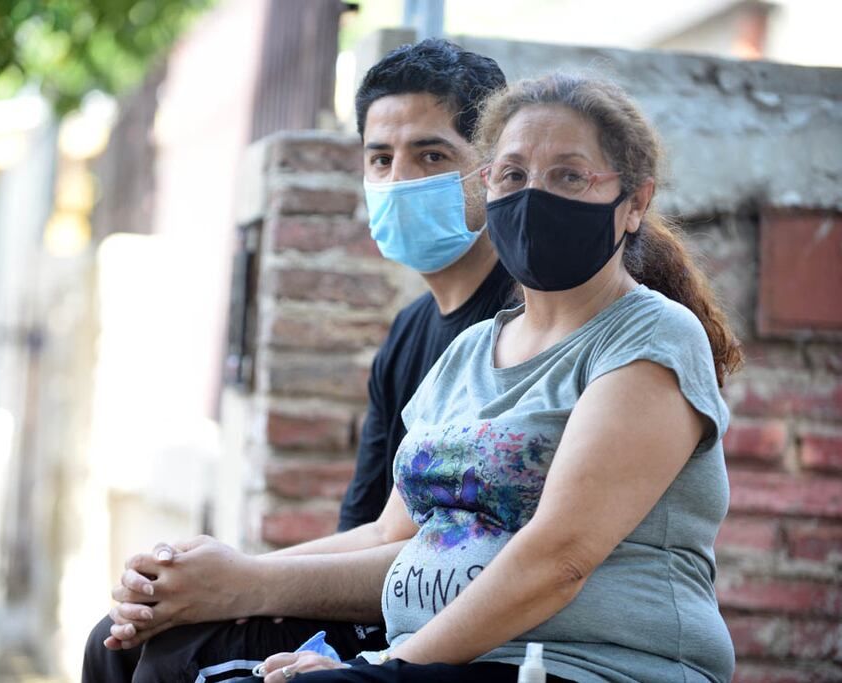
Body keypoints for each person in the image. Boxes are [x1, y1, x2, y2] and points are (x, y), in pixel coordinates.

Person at [246, 73, 745, 682]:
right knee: (169, 648)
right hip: (426, 658)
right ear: (486, 186)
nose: (534, 197)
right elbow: (388, 533)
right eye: (512, 175)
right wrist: (234, 579)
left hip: (584, 666)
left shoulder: (651, 336)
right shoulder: (468, 351)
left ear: (634, 203)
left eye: (569, 176)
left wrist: (375, 666)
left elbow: (560, 559)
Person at [82, 39, 514, 682]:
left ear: (492, 169)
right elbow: (370, 530)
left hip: (447, 620)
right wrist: (206, 577)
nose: (399, 180)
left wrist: (243, 582)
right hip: (384, 587)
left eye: (431, 155)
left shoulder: (517, 321)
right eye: (380, 158)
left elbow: (440, 552)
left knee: (174, 659)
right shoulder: (408, 333)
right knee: (114, 641)